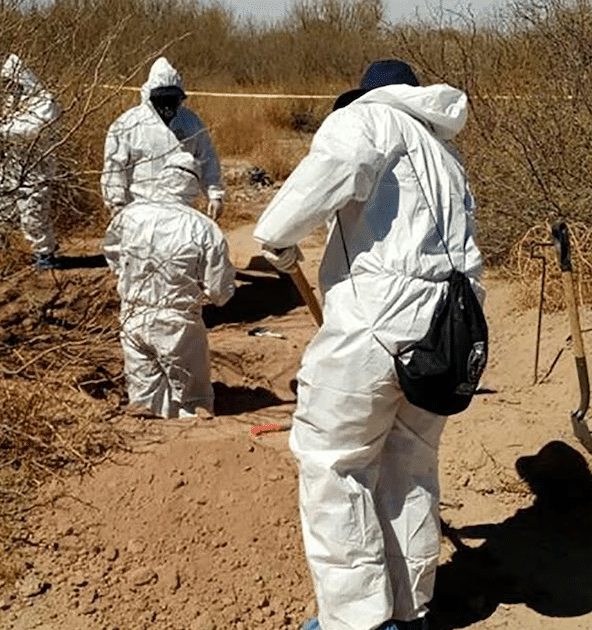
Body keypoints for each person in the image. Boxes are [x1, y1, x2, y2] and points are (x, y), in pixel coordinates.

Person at [253, 59, 482, 630]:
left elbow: (329, 172)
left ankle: (357, 620)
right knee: (410, 467)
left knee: (335, 466)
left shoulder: (368, 120)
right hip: (446, 331)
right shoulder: (445, 154)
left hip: (376, 325)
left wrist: (275, 237)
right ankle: (411, 611)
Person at [103, 152, 235, 419]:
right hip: (178, 324)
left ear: (162, 177)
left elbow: (112, 254)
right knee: (194, 401)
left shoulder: (130, 215)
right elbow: (219, 291)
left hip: (132, 318)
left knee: (144, 397)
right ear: (194, 186)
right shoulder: (204, 228)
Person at [101, 57, 225, 219]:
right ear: (151, 96)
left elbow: (207, 159)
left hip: (181, 214)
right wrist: (116, 203)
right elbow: (115, 166)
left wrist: (214, 194)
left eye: (172, 99)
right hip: (139, 213)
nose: (167, 105)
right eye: (162, 99)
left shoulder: (191, 123)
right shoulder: (128, 125)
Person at [0, 54, 62, 270]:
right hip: (11, 167)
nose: (9, 88)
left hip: (37, 169)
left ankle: (45, 255)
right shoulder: (13, 103)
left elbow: (32, 130)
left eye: (12, 83)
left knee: (33, 215)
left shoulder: (45, 102)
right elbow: (7, 125)